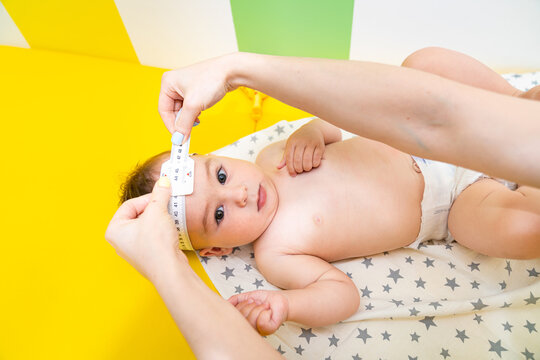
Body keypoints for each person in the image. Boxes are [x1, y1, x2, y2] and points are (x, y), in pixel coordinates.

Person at [107, 47, 540, 358]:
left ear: (219, 157)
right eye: (219, 215)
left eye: (221, 175)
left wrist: (313, 131)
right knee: (520, 231)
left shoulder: (272, 156)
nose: (238, 194)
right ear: (214, 250)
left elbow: (344, 116)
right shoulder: (276, 254)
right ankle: (525, 177)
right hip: (451, 202)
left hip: (415, 137)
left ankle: (519, 107)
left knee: (424, 64)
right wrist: (289, 306)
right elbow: (341, 295)